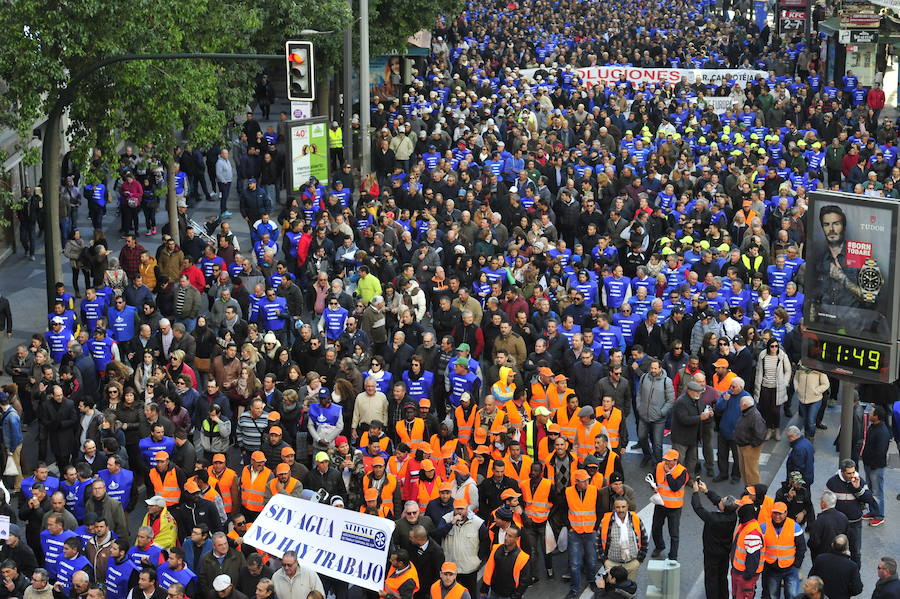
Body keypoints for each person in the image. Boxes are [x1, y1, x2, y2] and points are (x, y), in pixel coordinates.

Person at [690, 479, 737, 599]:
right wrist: (706, 491)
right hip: (724, 552)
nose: (719, 500)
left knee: (711, 580)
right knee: (722, 577)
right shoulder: (732, 515)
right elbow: (718, 501)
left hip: (712, 553)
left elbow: (698, 508)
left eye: (722, 500)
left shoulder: (714, 518)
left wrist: (695, 492)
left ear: (722, 507)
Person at [825, 459, 874, 567]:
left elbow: (869, 499)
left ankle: (855, 574)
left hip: (855, 523)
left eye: (853, 472)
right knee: (836, 550)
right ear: (842, 472)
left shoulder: (859, 480)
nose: (852, 475)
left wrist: (857, 488)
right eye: (849, 473)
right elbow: (827, 503)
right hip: (838, 524)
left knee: (856, 552)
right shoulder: (832, 482)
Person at [564, 470, 600, 599]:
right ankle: (575, 588)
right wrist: (569, 526)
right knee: (574, 564)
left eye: (587, 480)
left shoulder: (594, 490)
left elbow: (599, 509)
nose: (586, 482)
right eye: (583, 480)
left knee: (591, 561)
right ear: (576, 482)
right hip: (575, 532)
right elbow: (563, 510)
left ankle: (591, 581)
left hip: (590, 531)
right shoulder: (568, 492)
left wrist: (596, 527)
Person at [759, 501, 804, 599]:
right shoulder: (763, 527)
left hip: (791, 568)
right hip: (772, 569)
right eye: (775, 513)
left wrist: (796, 565)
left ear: (786, 513)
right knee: (772, 595)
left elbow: (801, 548)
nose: (777, 516)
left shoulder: (794, 527)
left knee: (792, 596)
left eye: (780, 513)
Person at [597, 496, 647, 582]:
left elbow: (644, 539)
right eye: (618, 507)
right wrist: (604, 561)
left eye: (623, 507)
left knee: (629, 591)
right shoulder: (606, 521)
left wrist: (639, 560)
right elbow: (598, 542)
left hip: (631, 564)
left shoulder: (636, 519)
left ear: (627, 506)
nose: (621, 510)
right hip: (612, 564)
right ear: (614, 508)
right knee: (612, 591)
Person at [649, 449, 687, 561]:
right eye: (665, 459)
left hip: (674, 508)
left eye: (669, 460)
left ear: (675, 461)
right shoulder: (659, 466)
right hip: (660, 504)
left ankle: (673, 556)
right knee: (656, 528)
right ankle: (659, 546)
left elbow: (675, 487)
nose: (666, 462)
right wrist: (652, 486)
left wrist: (668, 474)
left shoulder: (682, 472)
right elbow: (652, 477)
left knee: (674, 534)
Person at [807, 534, 863, 599]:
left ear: (832, 545)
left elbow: (811, 577)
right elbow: (857, 589)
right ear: (847, 548)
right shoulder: (852, 566)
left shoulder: (820, 558)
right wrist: (846, 593)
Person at [481, 527, 529, 599]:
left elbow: (524, 581)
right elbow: (489, 570)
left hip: (509, 595)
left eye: (510, 536)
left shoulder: (523, 557)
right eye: (506, 534)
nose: (506, 538)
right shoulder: (496, 549)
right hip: (494, 592)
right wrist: (484, 589)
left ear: (517, 539)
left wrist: (516, 595)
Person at [861, 405, 889, 527]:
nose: (870, 414)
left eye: (872, 413)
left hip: (875, 467)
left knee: (877, 492)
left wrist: (871, 464)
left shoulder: (882, 432)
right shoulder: (874, 427)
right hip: (870, 465)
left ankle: (879, 515)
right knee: (871, 491)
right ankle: (873, 511)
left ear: (876, 417)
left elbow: (880, 452)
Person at [731, 500, 764, 599]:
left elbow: (753, 559)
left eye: (739, 507)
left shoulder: (752, 533)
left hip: (744, 576)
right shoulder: (744, 525)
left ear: (744, 511)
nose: (737, 510)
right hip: (738, 572)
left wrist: (746, 576)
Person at [734, 395, 767, 486]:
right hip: (743, 445)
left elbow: (760, 435)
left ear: (744, 405)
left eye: (740, 404)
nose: (739, 406)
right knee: (744, 469)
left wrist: (751, 446)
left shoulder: (755, 416)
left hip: (749, 447)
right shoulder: (748, 413)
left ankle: (754, 492)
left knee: (751, 471)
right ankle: (748, 489)